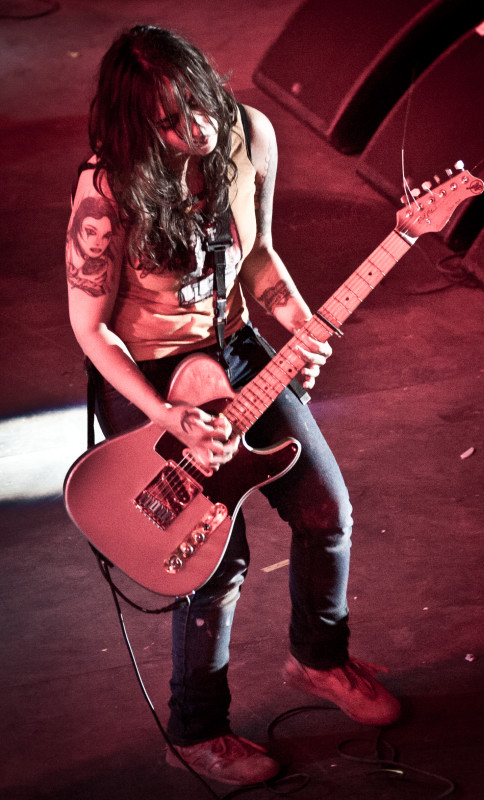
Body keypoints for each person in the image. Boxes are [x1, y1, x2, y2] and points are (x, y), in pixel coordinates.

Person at [66, 25, 400, 787]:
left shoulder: (252, 135)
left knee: (325, 510)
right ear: (135, 126)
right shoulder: (107, 188)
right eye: (170, 118)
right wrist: (160, 412)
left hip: (237, 347)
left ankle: (319, 662)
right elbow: (91, 328)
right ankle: (196, 730)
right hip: (151, 373)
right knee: (215, 563)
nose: (200, 125)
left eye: (200, 99)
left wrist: (302, 322)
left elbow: (257, 254)